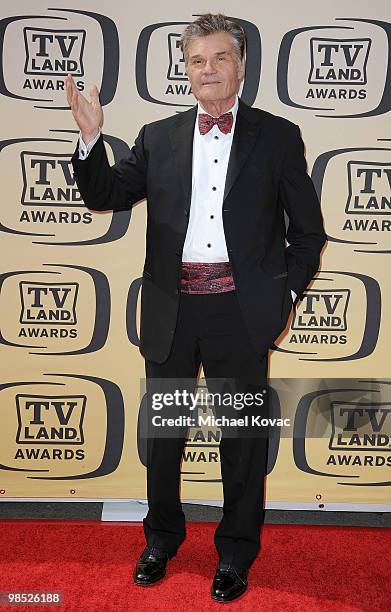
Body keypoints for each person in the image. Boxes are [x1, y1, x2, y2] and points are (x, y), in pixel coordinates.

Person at [66, 13, 326, 603]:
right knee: (164, 438)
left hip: (240, 314)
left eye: (219, 58)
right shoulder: (157, 137)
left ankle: (236, 554)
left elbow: (307, 233)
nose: (207, 70)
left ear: (240, 65)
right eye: (196, 61)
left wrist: (284, 295)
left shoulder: (278, 136)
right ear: (186, 70)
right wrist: (89, 141)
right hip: (171, 311)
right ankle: (160, 540)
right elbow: (106, 195)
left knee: (240, 441)